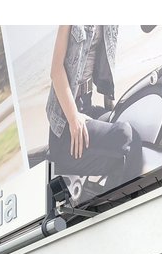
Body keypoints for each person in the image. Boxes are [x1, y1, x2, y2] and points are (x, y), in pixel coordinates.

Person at [45, 25, 141, 194]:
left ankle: (113, 199)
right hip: (65, 122)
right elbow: (56, 71)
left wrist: (113, 111)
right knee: (126, 135)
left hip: (86, 107)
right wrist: (73, 118)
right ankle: (123, 201)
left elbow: (106, 63)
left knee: (130, 122)